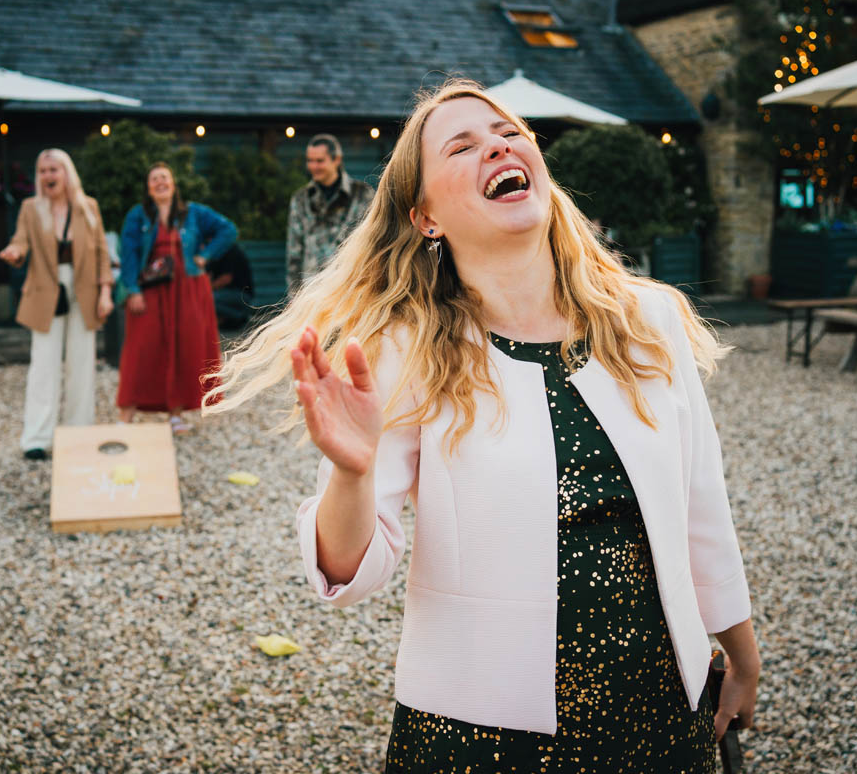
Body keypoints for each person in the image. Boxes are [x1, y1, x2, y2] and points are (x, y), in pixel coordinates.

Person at [204, 80, 760, 772]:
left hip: (655, 718)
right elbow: (352, 569)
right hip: (475, 737)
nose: (498, 143)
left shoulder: (649, 323)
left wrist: (740, 652)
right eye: (461, 145)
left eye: (508, 132)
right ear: (426, 217)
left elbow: (702, 507)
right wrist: (352, 472)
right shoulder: (402, 351)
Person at [0, 149, 114, 460]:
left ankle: (78, 433)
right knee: (43, 366)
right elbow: (21, 240)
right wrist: (14, 251)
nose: (48, 176)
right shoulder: (30, 208)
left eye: (54, 170)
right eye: (42, 170)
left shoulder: (88, 207)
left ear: (66, 173)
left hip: (85, 290)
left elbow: (103, 251)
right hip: (45, 291)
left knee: (82, 365)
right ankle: (37, 438)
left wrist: (105, 293)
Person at [115, 162, 237, 433]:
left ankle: (176, 413)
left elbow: (228, 230)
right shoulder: (138, 215)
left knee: (184, 347)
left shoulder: (193, 213)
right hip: (150, 289)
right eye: (154, 179)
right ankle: (127, 413)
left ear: (173, 184)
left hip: (189, 288)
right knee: (140, 349)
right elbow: (129, 254)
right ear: (148, 187)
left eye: (164, 178)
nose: (160, 182)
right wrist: (132, 290)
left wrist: (206, 256)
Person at [285, 133, 374, 292]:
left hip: (350, 289)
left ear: (336, 160)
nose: (313, 166)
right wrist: (294, 297)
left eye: (319, 161)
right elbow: (294, 254)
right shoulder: (300, 199)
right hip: (312, 291)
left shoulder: (363, 195)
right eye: (310, 161)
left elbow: (372, 242)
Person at [206, 242, 255, 330]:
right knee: (206, 299)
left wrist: (204, 290)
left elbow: (226, 279)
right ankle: (237, 317)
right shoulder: (216, 252)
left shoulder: (231, 251)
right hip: (228, 294)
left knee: (206, 299)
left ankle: (240, 316)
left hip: (241, 294)